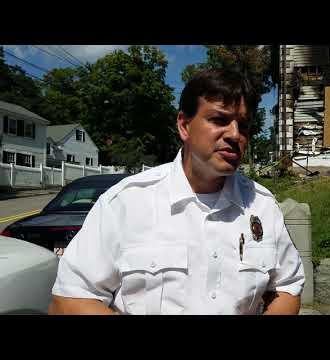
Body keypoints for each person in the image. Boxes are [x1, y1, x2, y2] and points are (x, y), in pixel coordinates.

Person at [48, 69, 305, 315]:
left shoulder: (262, 206)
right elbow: (69, 301)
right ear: (184, 125)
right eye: (219, 120)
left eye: (244, 125)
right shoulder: (126, 203)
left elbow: (287, 287)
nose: (235, 134)